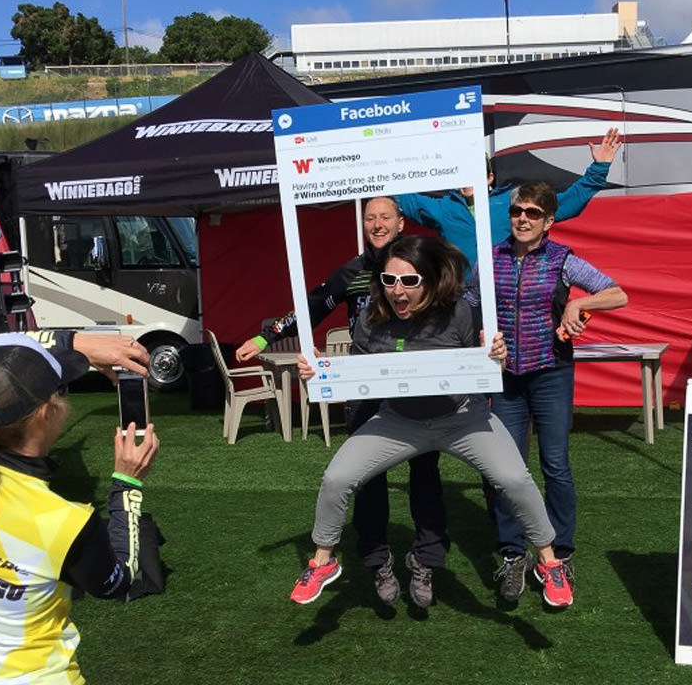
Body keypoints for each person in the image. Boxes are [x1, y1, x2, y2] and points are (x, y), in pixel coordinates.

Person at [289, 235, 570, 608]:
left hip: (462, 419)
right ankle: (322, 561)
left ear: (431, 280)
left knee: (514, 478)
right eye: (389, 281)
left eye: (409, 281)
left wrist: (495, 356)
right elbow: (356, 379)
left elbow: (484, 370)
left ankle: (549, 561)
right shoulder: (371, 320)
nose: (397, 291)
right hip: (398, 421)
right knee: (337, 478)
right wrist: (320, 374)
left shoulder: (458, 313)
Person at [235, 197, 449, 607]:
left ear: (401, 223)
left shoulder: (423, 264)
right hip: (366, 387)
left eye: (385, 217)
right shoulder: (353, 272)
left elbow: (454, 303)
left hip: (418, 386)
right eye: (370, 218)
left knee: (425, 476)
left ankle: (425, 561)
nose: (377, 224)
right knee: (366, 479)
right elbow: (310, 307)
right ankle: (378, 563)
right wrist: (265, 337)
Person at [0, 332, 159, 684]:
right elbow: (119, 582)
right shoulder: (64, 523)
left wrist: (77, 346)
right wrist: (128, 483)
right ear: (49, 413)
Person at [474, 181, 628, 608]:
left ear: (549, 221)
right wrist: (480, 334)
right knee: (506, 469)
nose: (523, 218)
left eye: (533, 213)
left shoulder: (562, 260)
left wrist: (579, 305)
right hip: (505, 375)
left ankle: (560, 554)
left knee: (555, 464)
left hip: (552, 373)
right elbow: (468, 303)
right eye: (517, 211)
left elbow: (617, 292)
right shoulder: (491, 259)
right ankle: (512, 553)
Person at [393, 128, 622, 271]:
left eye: (475, 173)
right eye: (463, 174)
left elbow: (567, 204)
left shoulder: (511, 202)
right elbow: (401, 195)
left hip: (507, 296)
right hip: (461, 300)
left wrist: (599, 168)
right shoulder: (443, 208)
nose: (468, 180)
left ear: (490, 177)